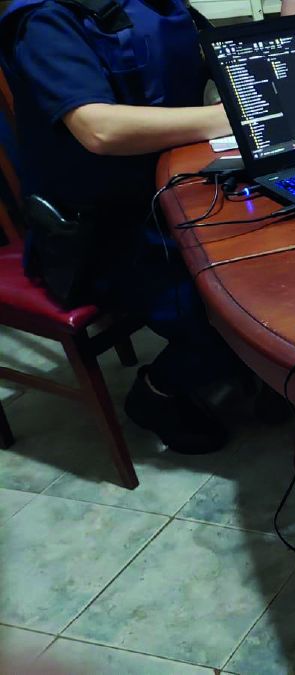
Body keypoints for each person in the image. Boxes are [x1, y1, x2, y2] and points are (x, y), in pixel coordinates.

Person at [0, 0, 241, 454]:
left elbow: (224, 61)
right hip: (98, 230)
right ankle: (155, 394)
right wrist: (225, 118)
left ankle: (243, 368)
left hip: (171, 196)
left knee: (262, 268)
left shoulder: (161, 6)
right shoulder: (46, 20)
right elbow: (100, 129)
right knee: (223, 311)